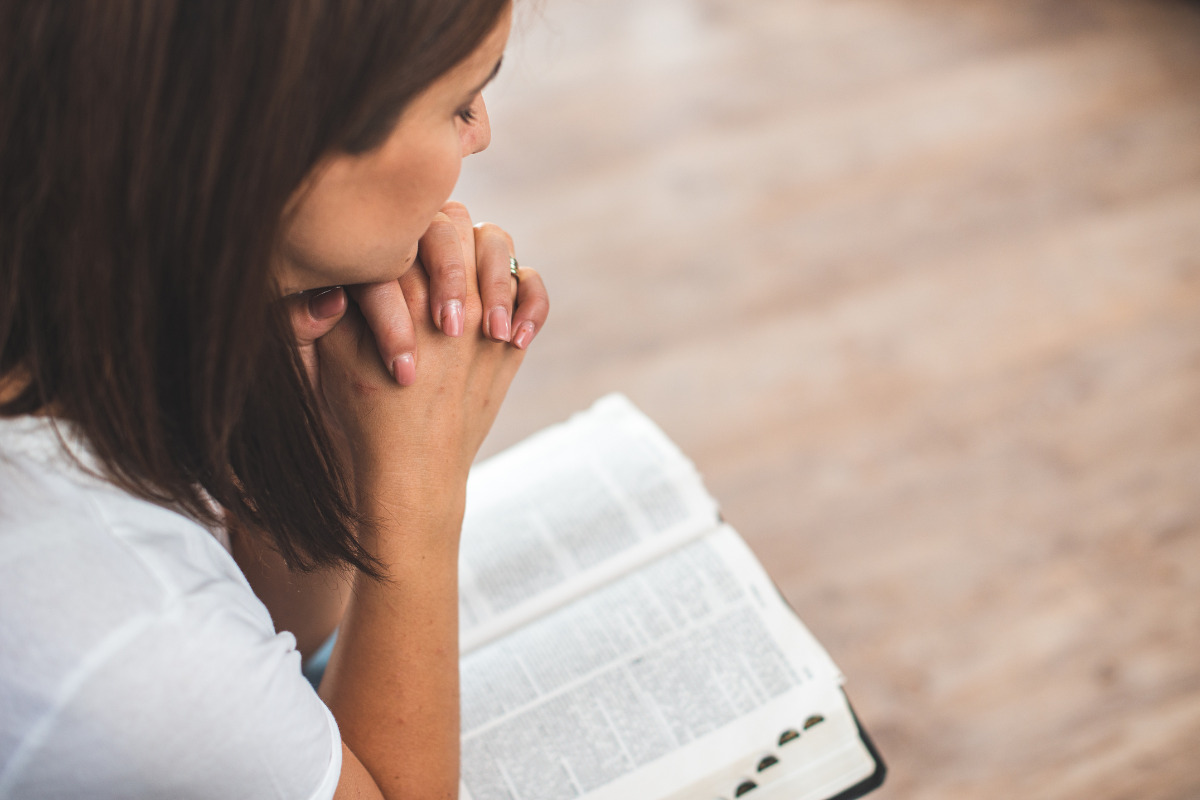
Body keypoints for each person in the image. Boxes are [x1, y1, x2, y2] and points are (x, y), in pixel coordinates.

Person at [0, 1, 548, 798]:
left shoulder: (85, 316)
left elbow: (269, 633)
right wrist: (418, 488)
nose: (481, 132)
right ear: (285, 146)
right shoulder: (119, 630)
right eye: (459, 101)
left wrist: (338, 414)